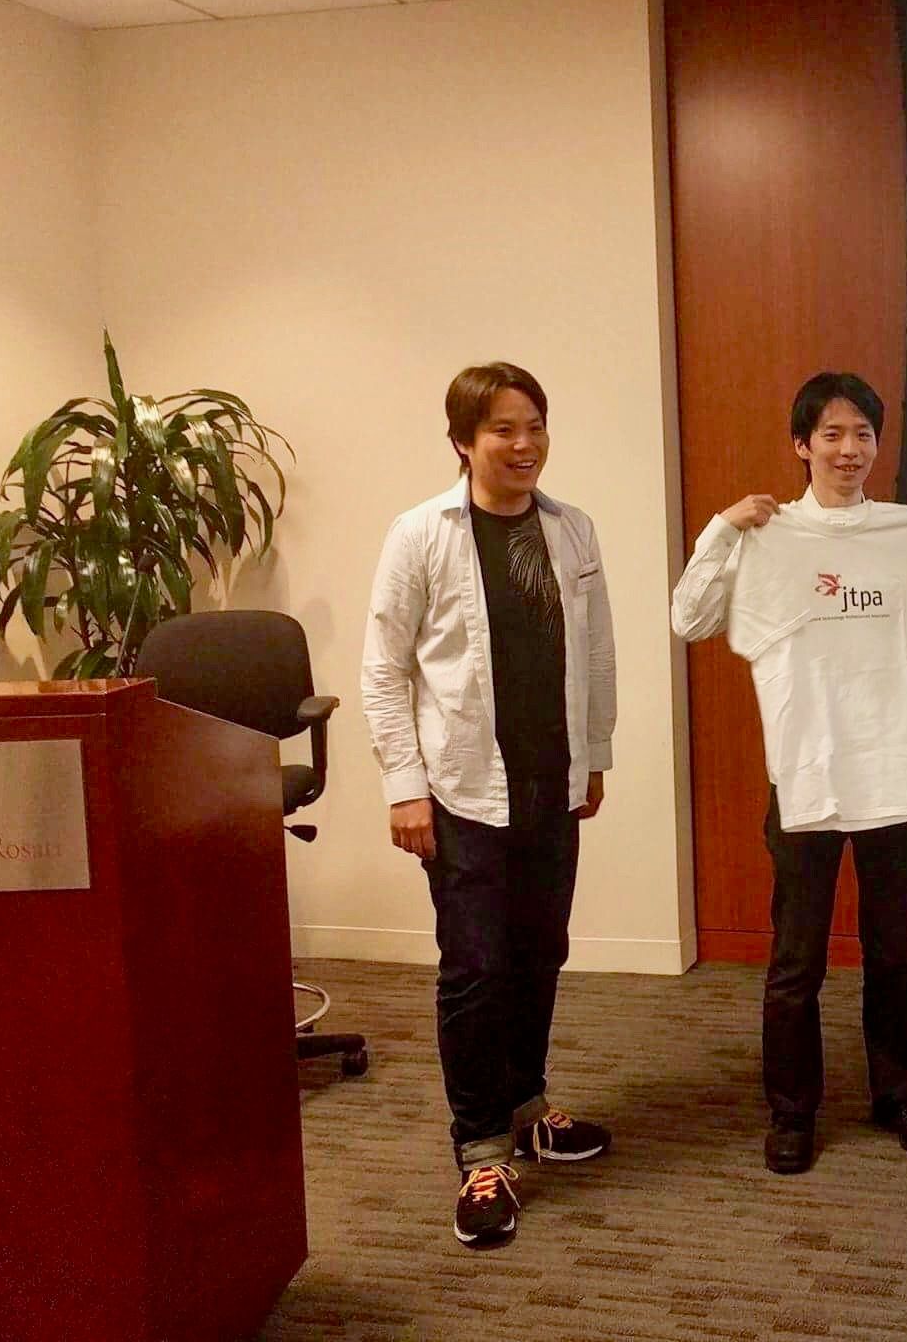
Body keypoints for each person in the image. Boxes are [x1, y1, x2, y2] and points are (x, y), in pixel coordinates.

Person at [671, 372, 907, 1174]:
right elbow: (689, 617)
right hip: (807, 772)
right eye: (832, 434)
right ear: (801, 444)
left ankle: (902, 1096)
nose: (849, 450)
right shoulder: (769, 537)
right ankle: (792, 1110)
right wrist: (723, 528)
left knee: (893, 950)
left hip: (895, 771)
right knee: (797, 957)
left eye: (863, 435)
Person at [360, 362, 617, 1247]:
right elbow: (384, 670)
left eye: (535, 425)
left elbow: (596, 651)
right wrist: (404, 787)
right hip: (462, 788)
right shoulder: (421, 534)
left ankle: (528, 1106)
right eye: (503, 428)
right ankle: (480, 1149)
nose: (524, 444)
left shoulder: (571, 529)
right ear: (463, 441)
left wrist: (595, 755)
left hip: (551, 781)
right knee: (475, 967)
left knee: (540, 952)